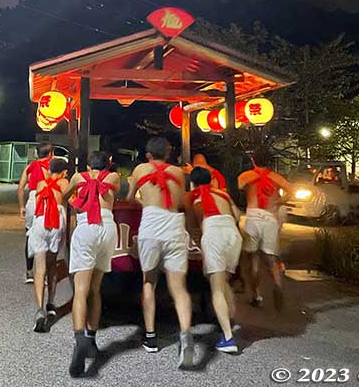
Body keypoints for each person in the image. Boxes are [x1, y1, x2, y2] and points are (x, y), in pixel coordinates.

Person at [127, 137, 195, 370]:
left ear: (148, 155)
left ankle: (151, 336)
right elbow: (182, 201)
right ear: (168, 153)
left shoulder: (140, 169)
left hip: (151, 225)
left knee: (149, 281)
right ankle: (185, 335)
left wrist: (143, 199)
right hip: (174, 225)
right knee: (178, 287)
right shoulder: (178, 172)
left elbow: (129, 198)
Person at [63, 151, 120, 377]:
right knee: (96, 289)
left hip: (86, 226)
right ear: (108, 164)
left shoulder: (78, 177)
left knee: (80, 290)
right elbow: (111, 186)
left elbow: (62, 195)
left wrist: (77, 202)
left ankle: (79, 341)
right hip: (107, 228)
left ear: (87, 165)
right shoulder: (113, 178)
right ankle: (91, 339)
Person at [185, 167, 242, 353]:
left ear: (192, 182)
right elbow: (238, 216)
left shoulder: (191, 196)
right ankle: (229, 317)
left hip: (213, 232)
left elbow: (192, 226)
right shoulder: (223, 194)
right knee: (223, 281)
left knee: (216, 287)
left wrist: (198, 243)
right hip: (232, 233)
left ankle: (228, 337)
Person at [237, 151, 292, 312]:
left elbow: (236, 186)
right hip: (270, 217)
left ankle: (257, 295)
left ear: (253, 161)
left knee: (251, 260)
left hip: (253, 217)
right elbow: (291, 190)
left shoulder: (247, 175)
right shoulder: (275, 176)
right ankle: (277, 282)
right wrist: (280, 201)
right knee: (270, 257)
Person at [27, 158, 69, 332]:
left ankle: (39, 310)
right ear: (64, 172)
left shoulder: (40, 184)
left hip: (40, 222)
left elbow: (37, 203)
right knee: (52, 265)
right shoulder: (64, 182)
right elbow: (72, 200)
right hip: (56, 222)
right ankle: (51, 303)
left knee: (40, 268)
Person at [18, 144, 54, 283]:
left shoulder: (30, 167)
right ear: (50, 153)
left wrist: (22, 206)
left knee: (30, 235)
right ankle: (43, 273)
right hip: (48, 201)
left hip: (32, 201)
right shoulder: (54, 165)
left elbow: (21, 188)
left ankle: (29, 272)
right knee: (47, 237)